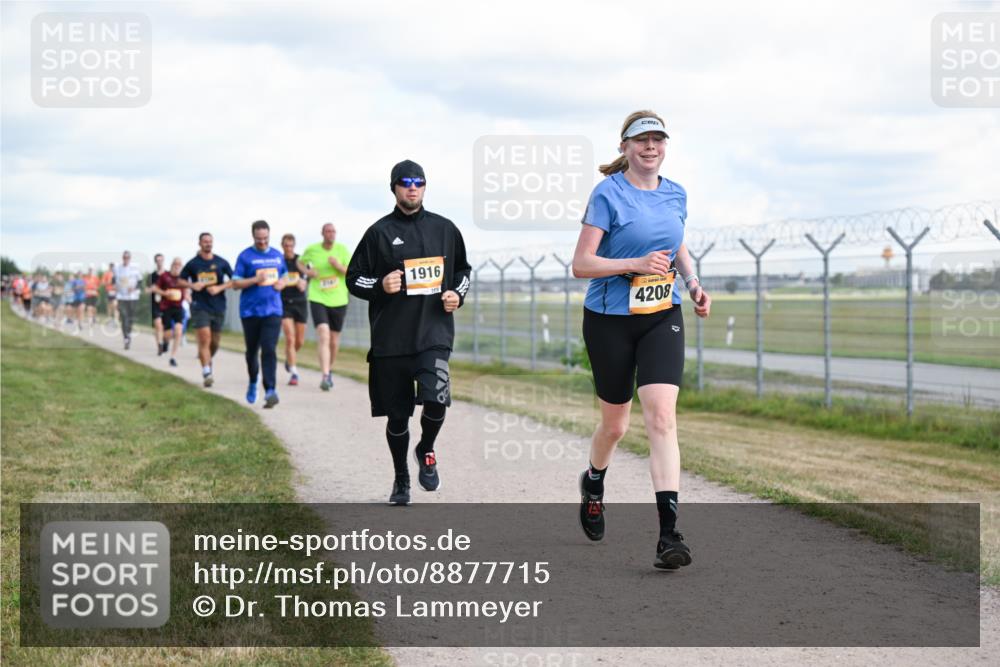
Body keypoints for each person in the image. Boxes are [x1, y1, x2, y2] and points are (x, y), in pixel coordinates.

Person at [571, 110, 711, 570]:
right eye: (641, 140)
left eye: (658, 139)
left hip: (661, 314)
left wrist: (691, 283)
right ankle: (594, 481)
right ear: (625, 148)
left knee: (663, 418)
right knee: (616, 426)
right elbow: (582, 264)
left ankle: (669, 534)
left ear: (665, 146)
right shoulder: (607, 194)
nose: (650, 146)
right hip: (609, 318)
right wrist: (631, 263)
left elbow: (677, 245)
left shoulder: (676, 193)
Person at [347, 160, 471, 506]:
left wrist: (457, 295)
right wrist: (380, 284)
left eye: (418, 182)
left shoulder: (445, 229)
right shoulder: (378, 233)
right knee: (398, 416)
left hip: (434, 335)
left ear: (425, 187)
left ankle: (426, 448)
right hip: (391, 340)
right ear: (394, 188)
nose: (412, 187)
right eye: (405, 182)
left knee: (437, 398)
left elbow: (462, 270)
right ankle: (401, 476)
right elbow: (354, 277)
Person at [230, 220, 287, 408]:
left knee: (269, 349)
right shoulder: (245, 256)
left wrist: (282, 283)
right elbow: (235, 283)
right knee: (252, 351)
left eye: (265, 238)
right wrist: (255, 279)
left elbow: (285, 275)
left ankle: (270, 389)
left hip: (273, 310)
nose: (262, 242)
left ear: (269, 236)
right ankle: (253, 381)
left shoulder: (277, 256)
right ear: (253, 236)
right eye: (259, 239)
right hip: (250, 311)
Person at [179, 233, 233, 387]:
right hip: (199, 305)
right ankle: (207, 372)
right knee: (205, 339)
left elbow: (235, 279)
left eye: (210, 241)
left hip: (218, 306)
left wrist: (219, 287)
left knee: (215, 342)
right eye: (205, 242)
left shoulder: (221, 262)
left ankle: (207, 359)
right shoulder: (193, 264)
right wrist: (192, 285)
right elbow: (180, 280)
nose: (208, 244)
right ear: (199, 243)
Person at [301, 223, 351, 390]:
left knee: (334, 341)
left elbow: (351, 272)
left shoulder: (342, 250)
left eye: (333, 231)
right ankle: (325, 375)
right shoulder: (312, 249)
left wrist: (338, 266)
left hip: (338, 300)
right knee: (324, 334)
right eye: (328, 231)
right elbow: (300, 263)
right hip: (317, 296)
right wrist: (308, 272)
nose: (331, 234)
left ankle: (329, 370)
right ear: (322, 233)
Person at [278, 233, 308, 386]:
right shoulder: (278, 261)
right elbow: (274, 279)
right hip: (284, 302)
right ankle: (294, 372)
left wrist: (303, 282)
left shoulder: (301, 261)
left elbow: (307, 278)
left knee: (299, 341)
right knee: (290, 338)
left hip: (300, 303)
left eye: (291, 245)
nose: (288, 248)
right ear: (282, 246)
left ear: (294, 246)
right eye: (286, 245)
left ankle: (290, 358)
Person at [150, 258, 186, 367]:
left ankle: (173, 357)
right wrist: (165, 293)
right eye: (175, 264)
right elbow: (155, 288)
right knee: (168, 334)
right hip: (166, 307)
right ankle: (165, 343)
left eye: (179, 264)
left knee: (179, 331)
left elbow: (188, 288)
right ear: (171, 265)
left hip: (178, 308)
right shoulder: (164, 276)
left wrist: (188, 295)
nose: (177, 266)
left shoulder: (183, 278)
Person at [114, 250, 143, 350]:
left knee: (130, 317)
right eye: (124, 257)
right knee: (123, 316)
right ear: (122, 258)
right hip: (121, 296)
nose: (126, 259)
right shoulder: (117, 269)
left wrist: (134, 288)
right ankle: (126, 337)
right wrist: (116, 286)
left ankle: (129, 333)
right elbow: (114, 281)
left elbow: (140, 282)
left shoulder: (135, 268)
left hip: (133, 297)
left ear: (130, 258)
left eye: (127, 258)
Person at [145, 254, 168, 355]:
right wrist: (152, 289)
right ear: (155, 262)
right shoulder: (151, 276)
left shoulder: (168, 275)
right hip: (155, 303)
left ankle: (165, 342)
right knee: (158, 324)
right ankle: (159, 344)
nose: (159, 262)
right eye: (157, 260)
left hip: (167, 304)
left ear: (163, 261)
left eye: (161, 260)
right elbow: (146, 290)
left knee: (165, 327)